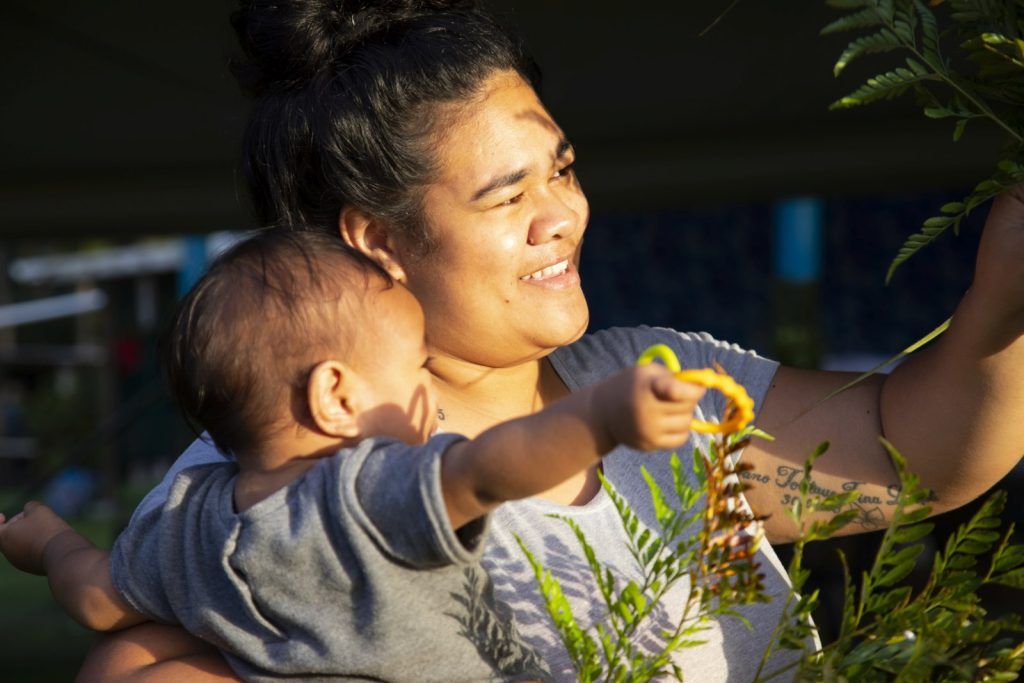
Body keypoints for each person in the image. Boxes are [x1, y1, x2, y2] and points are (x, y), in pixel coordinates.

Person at [79, 1, 1024, 680]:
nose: (561, 215)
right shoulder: (288, 468)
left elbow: (913, 455)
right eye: (506, 195)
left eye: (561, 169)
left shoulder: (646, 371)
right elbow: (136, 659)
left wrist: (1001, 300)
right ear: (377, 238)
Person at [0, 229, 709, 682]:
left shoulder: (189, 520)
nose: (430, 392)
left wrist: (47, 540)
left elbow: (96, 595)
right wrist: (603, 415)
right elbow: (491, 466)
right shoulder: (368, 495)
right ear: (336, 396)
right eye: (417, 366)